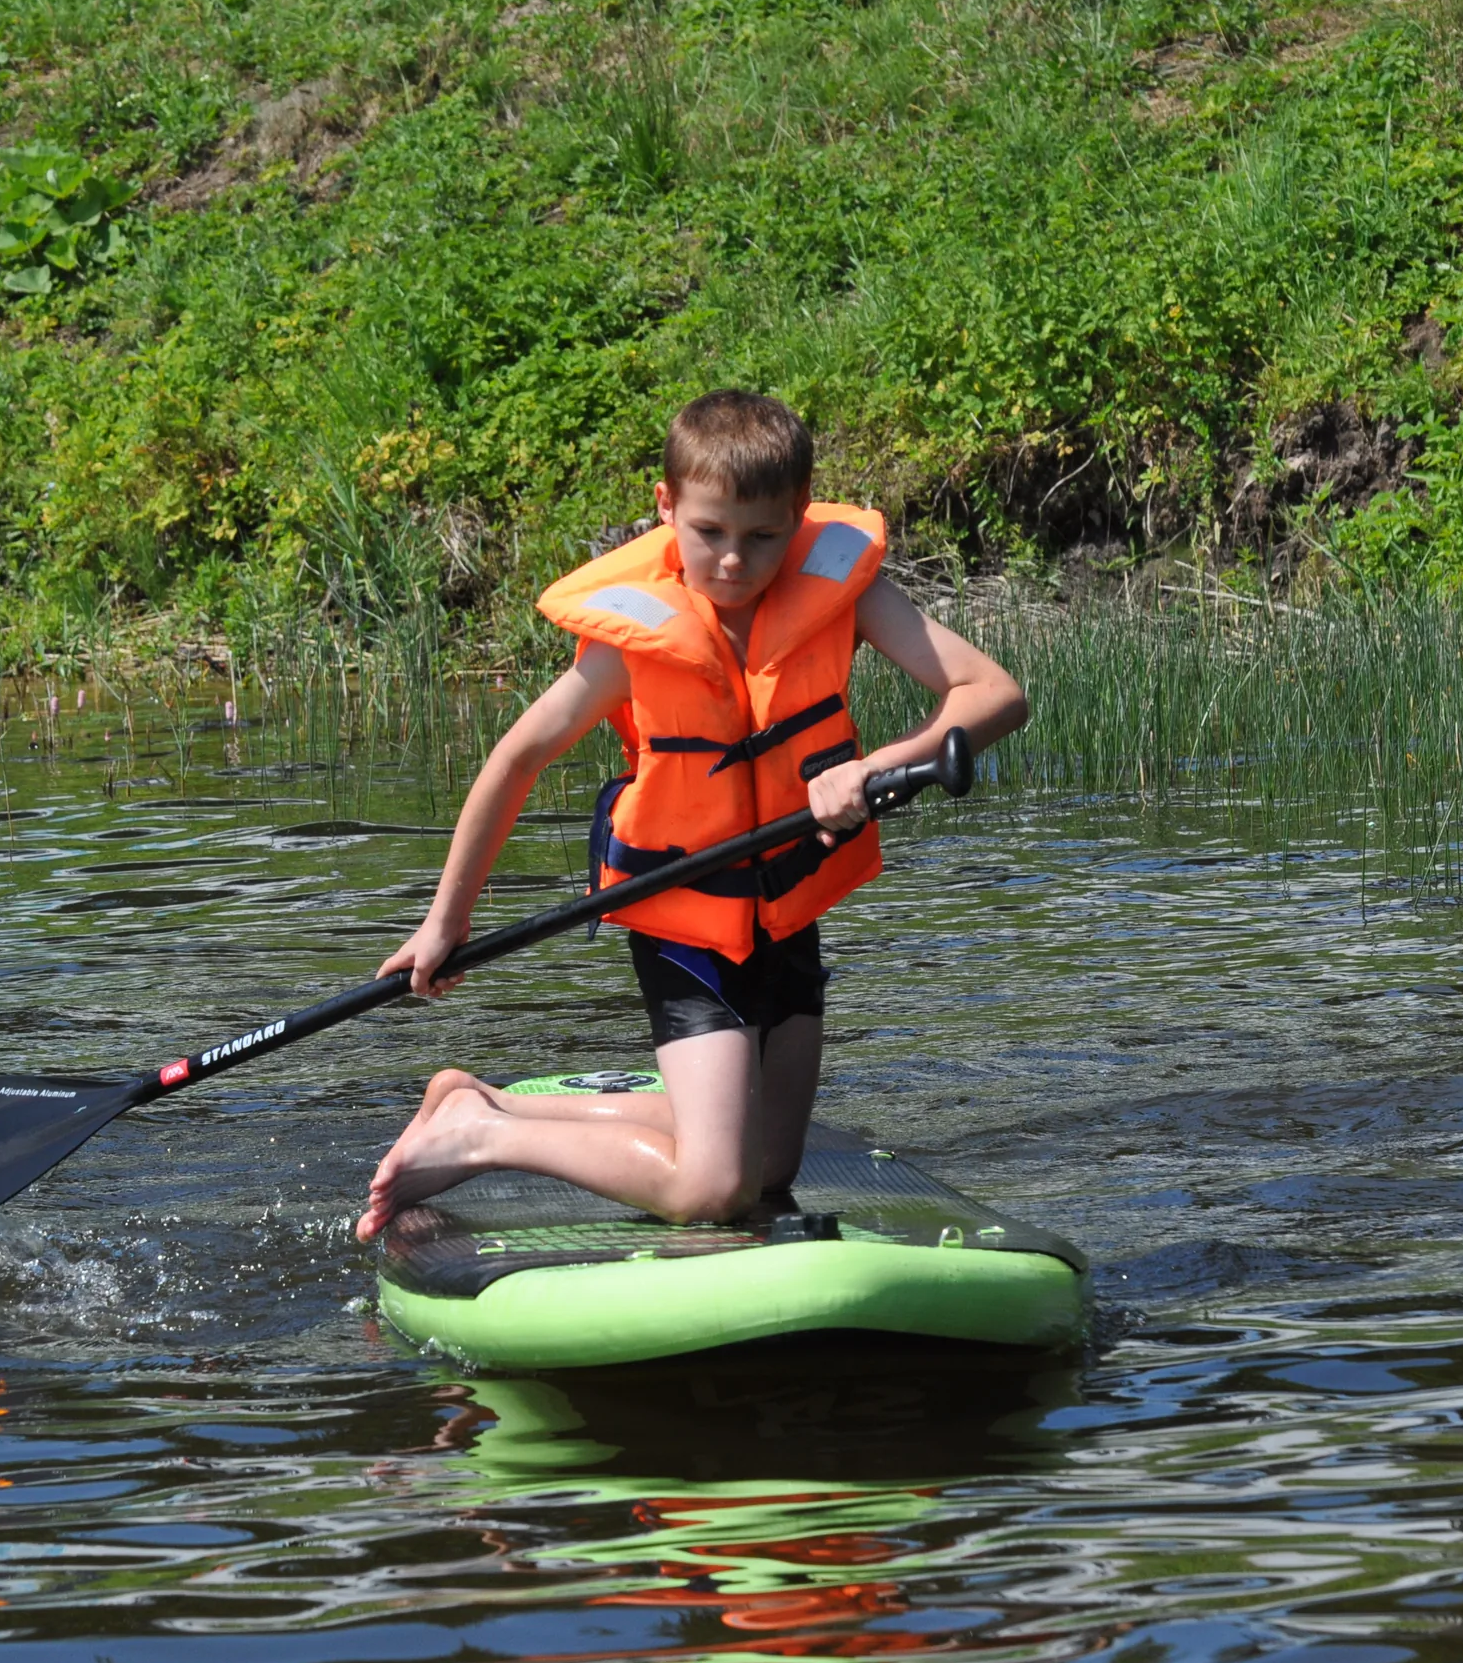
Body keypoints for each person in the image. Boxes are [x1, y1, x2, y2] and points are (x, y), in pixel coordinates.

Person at [352, 390, 1028, 1244]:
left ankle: (489, 1100)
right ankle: (481, 1135)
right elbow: (517, 759)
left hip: (787, 911)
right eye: (709, 533)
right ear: (666, 507)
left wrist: (872, 769)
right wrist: (445, 921)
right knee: (714, 1187)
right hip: (687, 920)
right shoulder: (631, 642)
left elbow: (996, 694)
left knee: (770, 1169)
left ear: (799, 510)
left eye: (763, 537)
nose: (735, 562)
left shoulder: (844, 592)